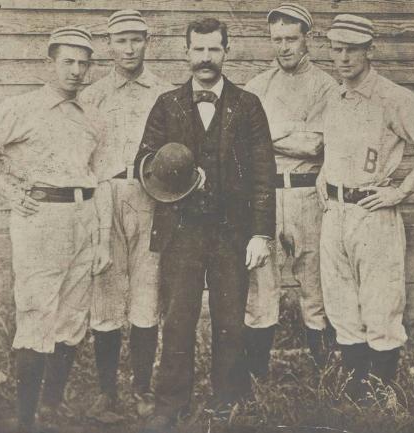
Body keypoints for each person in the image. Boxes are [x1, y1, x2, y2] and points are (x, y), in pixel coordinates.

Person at [0, 27, 112, 433]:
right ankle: (26, 419)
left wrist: (99, 237)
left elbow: (97, 177)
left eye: (83, 63)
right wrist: (10, 192)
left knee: (73, 315)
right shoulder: (21, 108)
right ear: (50, 63)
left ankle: (53, 404)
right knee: (36, 311)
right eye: (67, 62)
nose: (76, 71)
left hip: (83, 215)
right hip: (40, 219)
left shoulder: (93, 116)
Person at [135, 17, 276, 433]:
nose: (205, 58)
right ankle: (170, 404)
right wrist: (170, 170)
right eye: (198, 49)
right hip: (181, 232)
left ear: (226, 52)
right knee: (177, 317)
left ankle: (225, 399)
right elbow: (143, 162)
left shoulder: (248, 105)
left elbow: (264, 173)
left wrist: (261, 232)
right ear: (186, 52)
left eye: (214, 49)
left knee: (230, 318)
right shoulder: (167, 103)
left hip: (233, 232)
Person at [315, 14, 414, 401]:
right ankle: (355, 391)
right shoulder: (333, 95)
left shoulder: (395, 97)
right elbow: (335, 147)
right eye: (336, 50)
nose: (342, 58)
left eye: (351, 49)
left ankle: (382, 392)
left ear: (369, 50)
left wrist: (400, 191)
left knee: (380, 303)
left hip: (373, 212)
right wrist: (325, 174)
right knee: (340, 303)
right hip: (335, 212)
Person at [79, 10, 171, 421]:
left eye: (136, 39)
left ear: (147, 43)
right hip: (104, 195)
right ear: (109, 45)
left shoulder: (165, 93)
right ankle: (106, 392)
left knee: (146, 294)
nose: (129, 48)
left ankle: (142, 388)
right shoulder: (92, 95)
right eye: (121, 40)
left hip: (151, 195)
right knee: (106, 292)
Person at [243, 2, 337, 376]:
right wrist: (286, 137)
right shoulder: (257, 87)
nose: (283, 47)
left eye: (291, 39)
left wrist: (264, 138)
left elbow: (314, 146)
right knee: (260, 288)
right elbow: (242, 144)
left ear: (307, 39)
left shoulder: (326, 86)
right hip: (265, 196)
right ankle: (255, 378)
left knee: (314, 288)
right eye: (276, 40)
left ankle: (324, 376)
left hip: (306, 195)